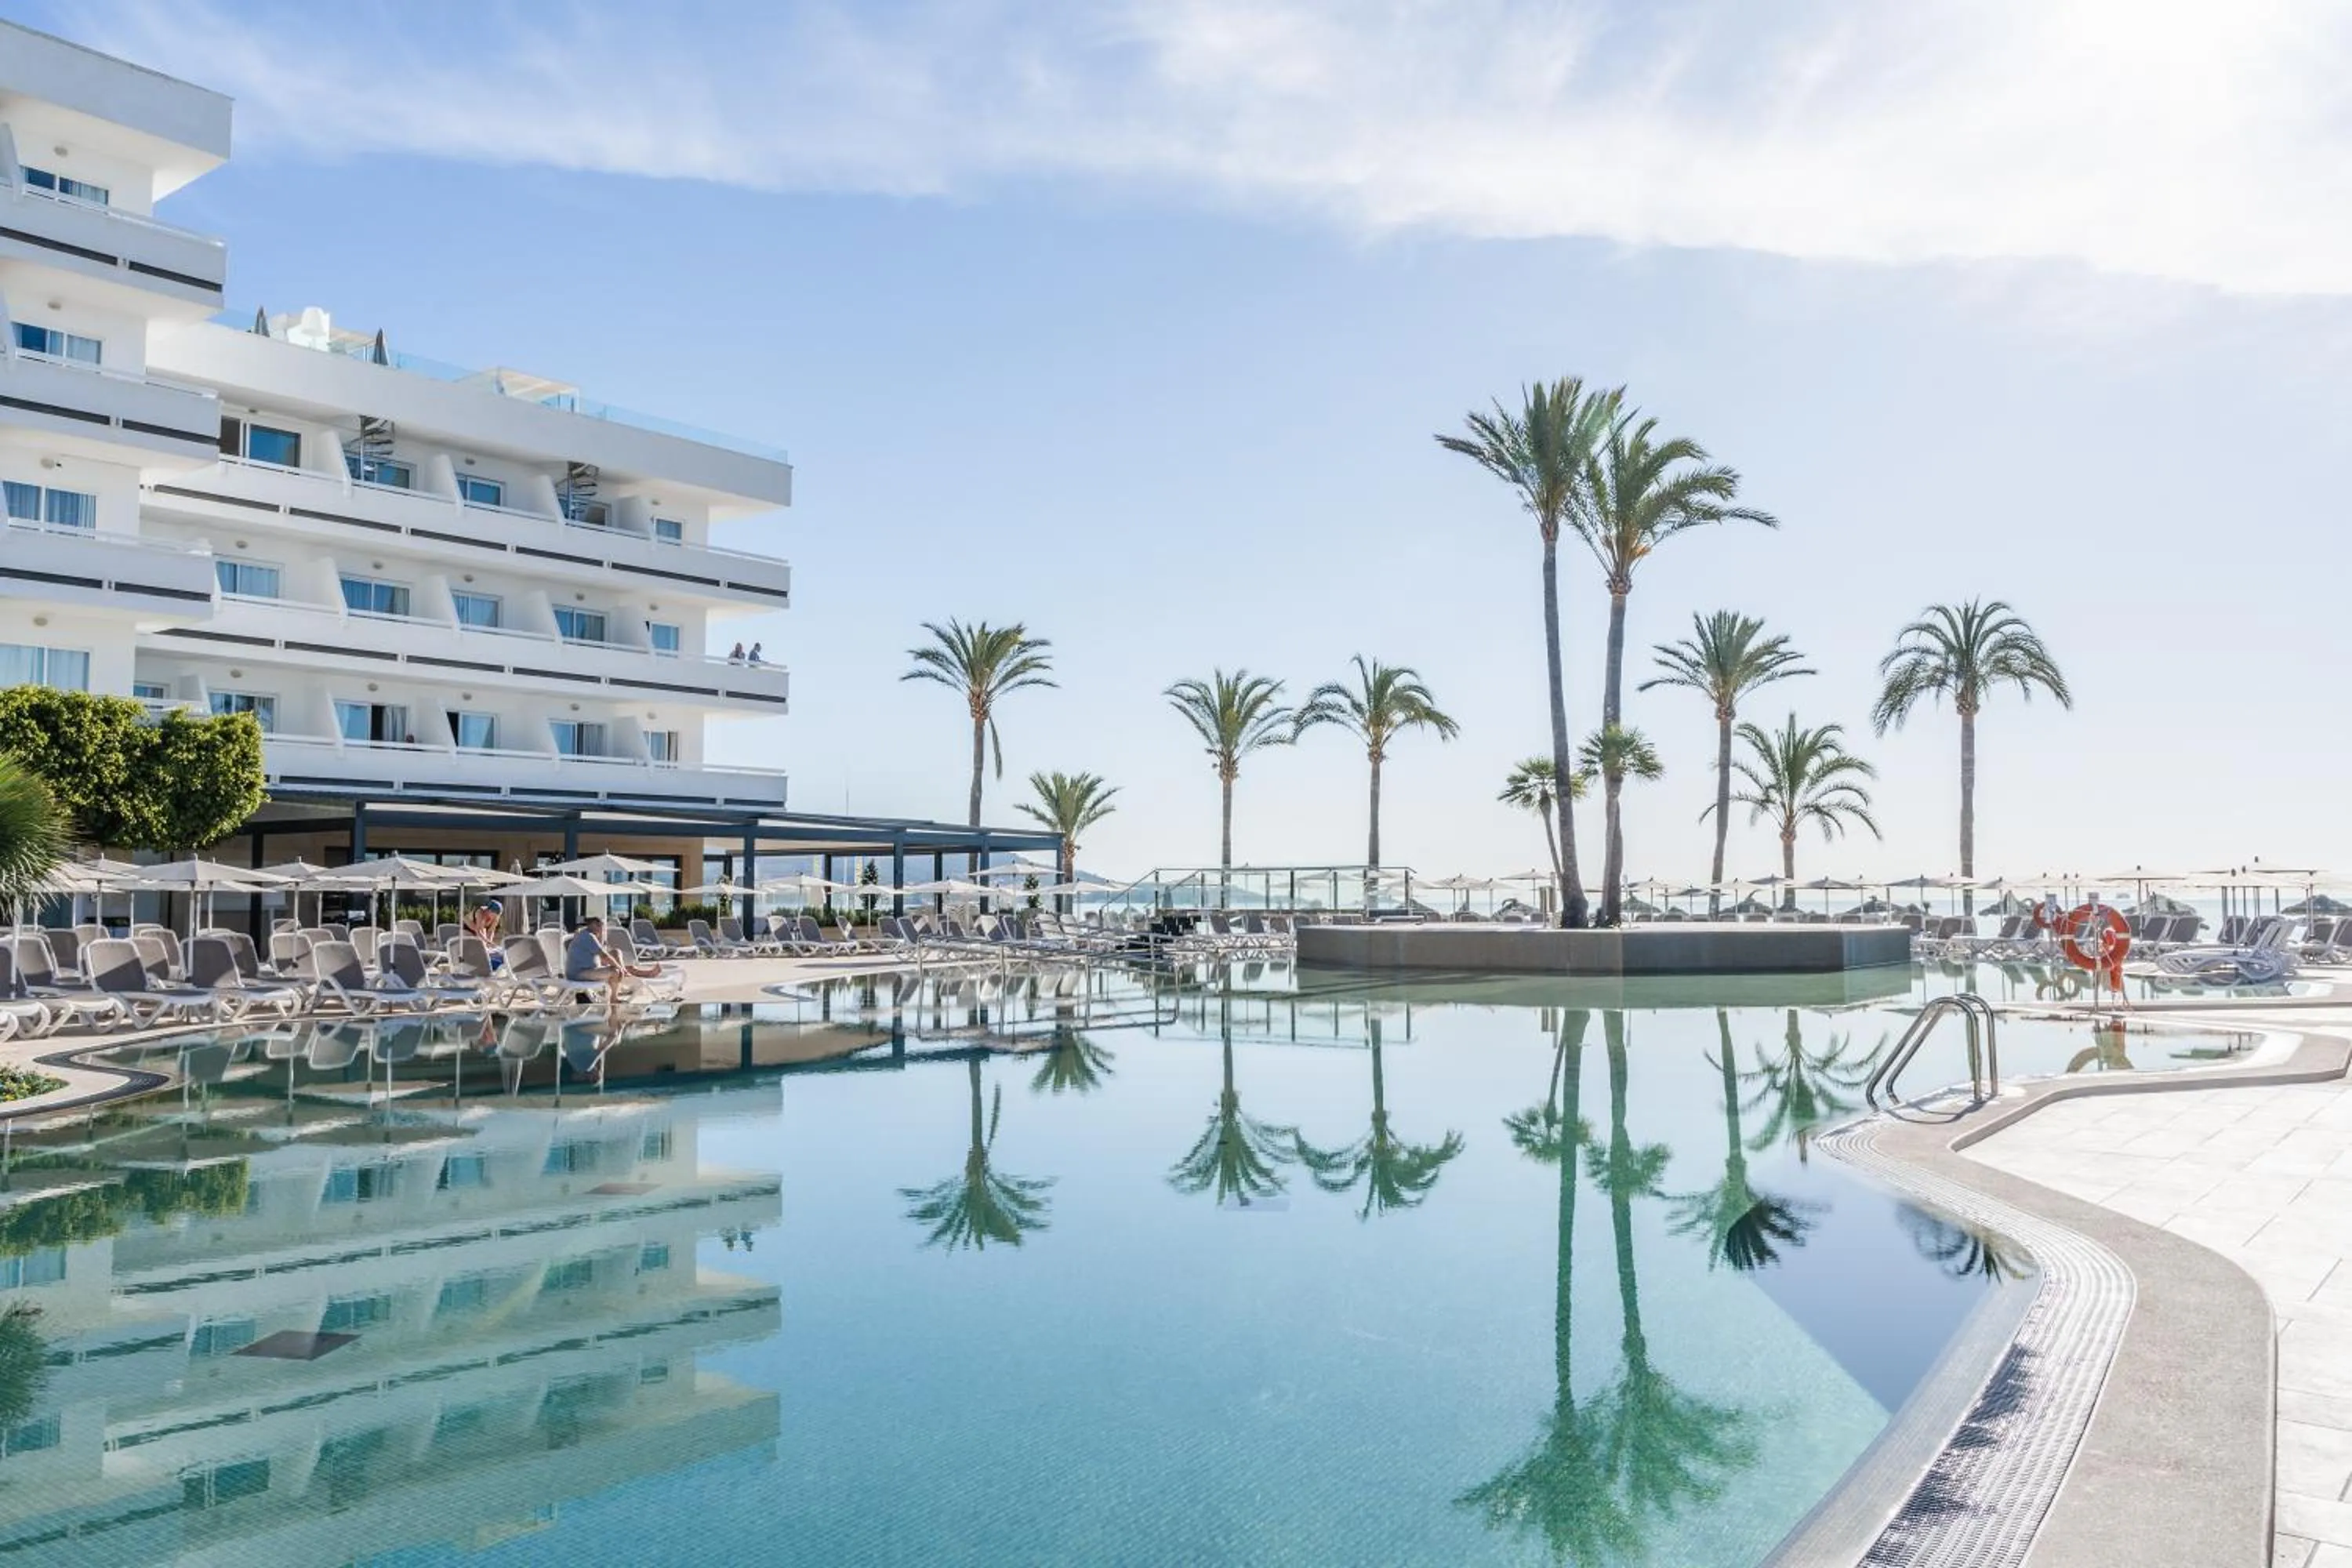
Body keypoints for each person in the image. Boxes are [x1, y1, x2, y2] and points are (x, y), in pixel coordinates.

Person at [563, 915, 660, 1008]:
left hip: (589, 968)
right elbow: (605, 956)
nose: (602, 927)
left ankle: (638, 973)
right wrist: (619, 968)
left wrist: (619, 966)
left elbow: (605, 955)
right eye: (600, 925)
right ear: (592, 924)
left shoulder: (588, 934)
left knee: (616, 953)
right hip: (579, 974)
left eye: (602, 925)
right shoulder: (588, 936)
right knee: (615, 971)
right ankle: (614, 998)